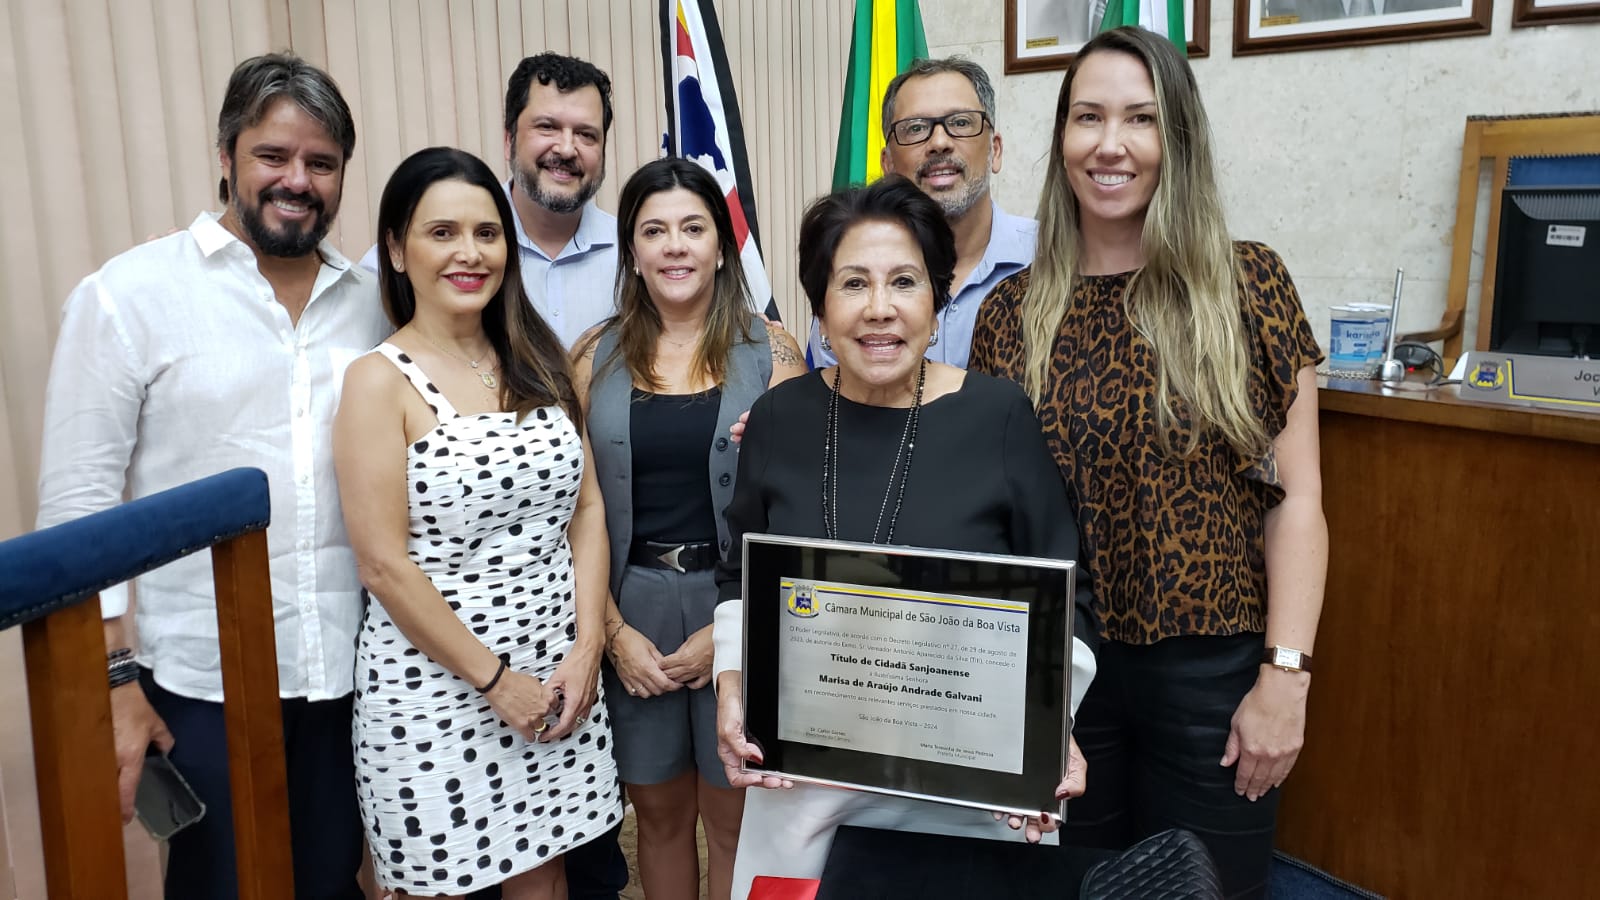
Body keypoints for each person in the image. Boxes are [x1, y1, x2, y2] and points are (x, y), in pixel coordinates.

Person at [968, 27, 1327, 900]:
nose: (1110, 144)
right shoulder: (1012, 312)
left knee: (1209, 888)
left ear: (1179, 137)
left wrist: (1286, 677)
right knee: (1069, 888)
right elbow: (991, 517)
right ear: (1062, 137)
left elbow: (1297, 501)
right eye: (1088, 117)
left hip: (1213, 678)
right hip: (1062, 671)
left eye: (1141, 118)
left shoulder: (1249, 285)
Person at [33, 53, 386, 898]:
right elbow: (77, 508)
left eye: (321, 163)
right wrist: (115, 686)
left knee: (333, 883)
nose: (296, 181)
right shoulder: (128, 297)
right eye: (273, 155)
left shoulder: (375, 304)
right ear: (226, 154)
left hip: (352, 680)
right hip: (199, 688)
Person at [712, 176, 1099, 899]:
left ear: (937, 297)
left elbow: (1066, 591)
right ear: (820, 306)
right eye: (853, 283)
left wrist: (1050, 728)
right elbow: (740, 576)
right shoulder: (779, 419)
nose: (880, 309)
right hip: (804, 785)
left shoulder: (998, 416)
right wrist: (733, 689)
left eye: (904, 281)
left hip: (971, 792)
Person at [334, 146, 623, 900]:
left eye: (487, 233)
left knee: (546, 879)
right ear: (397, 249)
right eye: (442, 233)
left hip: (557, 677)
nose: (470, 253)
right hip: (436, 693)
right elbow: (383, 565)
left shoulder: (537, 357)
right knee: (440, 886)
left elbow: (587, 508)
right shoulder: (378, 381)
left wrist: (587, 647)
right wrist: (495, 682)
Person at [571, 157, 806, 900]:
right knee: (659, 816)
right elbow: (574, 508)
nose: (674, 246)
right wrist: (611, 634)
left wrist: (731, 634)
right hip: (631, 605)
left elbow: (798, 510)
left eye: (693, 228)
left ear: (722, 247)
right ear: (632, 251)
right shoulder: (593, 355)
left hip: (735, 602)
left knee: (734, 818)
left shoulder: (772, 352)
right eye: (654, 231)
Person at [359, 52, 618, 350]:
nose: (567, 149)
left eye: (586, 135)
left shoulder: (636, 256)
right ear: (509, 140)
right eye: (547, 127)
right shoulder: (415, 257)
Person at [806, 57, 1035, 369]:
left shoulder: (1054, 257)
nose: (939, 143)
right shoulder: (849, 281)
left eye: (961, 123)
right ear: (887, 164)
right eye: (915, 128)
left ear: (995, 150)